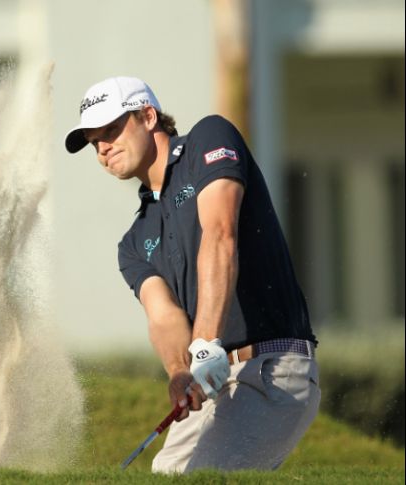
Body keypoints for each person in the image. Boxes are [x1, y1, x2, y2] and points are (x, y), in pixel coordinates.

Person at [64, 76, 321, 473]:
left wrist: (204, 344)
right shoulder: (134, 242)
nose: (103, 147)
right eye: (94, 141)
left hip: (273, 370)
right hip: (213, 381)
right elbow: (163, 315)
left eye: (112, 130)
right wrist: (180, 371)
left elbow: (220, 236)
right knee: (165, 472)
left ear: (148, 116)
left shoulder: (208, 139)